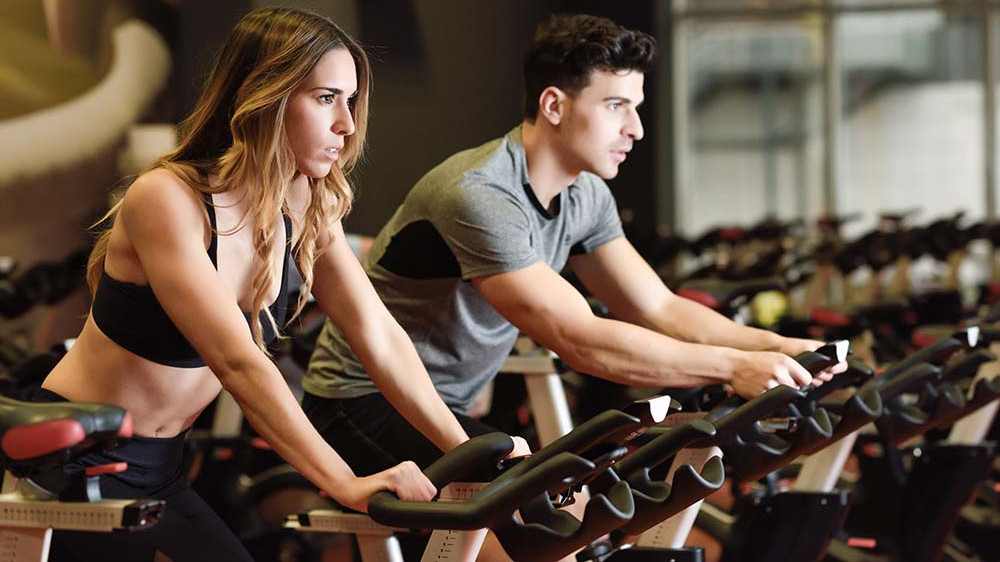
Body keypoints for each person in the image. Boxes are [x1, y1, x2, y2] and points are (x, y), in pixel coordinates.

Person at [305, 13, 844, 477]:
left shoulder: (586, 194)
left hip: (439, 405)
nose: (635, 128)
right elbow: (578, 339)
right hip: (358, 404)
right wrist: (731, 367)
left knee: (563, 516)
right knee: (543, 529)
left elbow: (657, 306)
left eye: (636, 107)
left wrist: (772, 347)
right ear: (554, 105)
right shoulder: (479, 195)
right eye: (615, 106)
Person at [33, 7, 474, 561]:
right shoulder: (168, 199)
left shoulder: (309, 204)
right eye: (325, 98)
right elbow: (237, 360)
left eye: (351, 101)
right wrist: (342, 482)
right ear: (263, 96)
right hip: (77, 464)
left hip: (163, 467)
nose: (348, 124)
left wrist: (467, 450)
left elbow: (377, 333)